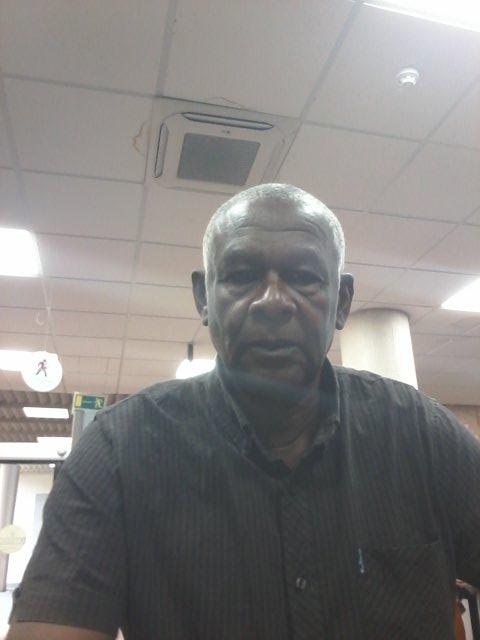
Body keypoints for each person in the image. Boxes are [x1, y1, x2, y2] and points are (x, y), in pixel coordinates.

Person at [7, 184, 480, 640]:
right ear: (203, 298)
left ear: (341, 302)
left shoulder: (421, 436)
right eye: (240, 276)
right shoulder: (118, 453)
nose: (273, 301)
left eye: (304, 277)